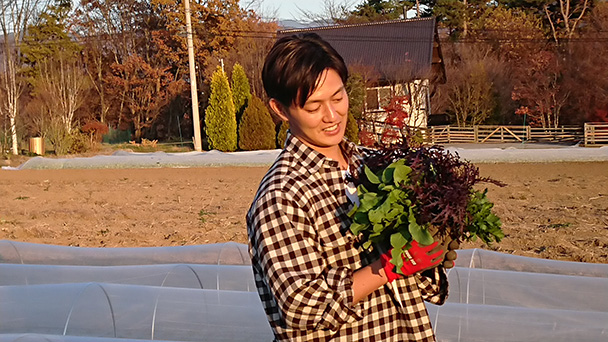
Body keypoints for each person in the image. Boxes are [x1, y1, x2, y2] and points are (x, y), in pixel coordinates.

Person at [247, 33, 451, 341]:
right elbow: (301, 306)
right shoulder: (282, 196)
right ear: (280, 109)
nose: (332, 116)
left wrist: (430, 255)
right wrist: (390, 266)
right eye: (314, 106)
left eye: (338, 97)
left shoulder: (374, 166)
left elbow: (411, 276)